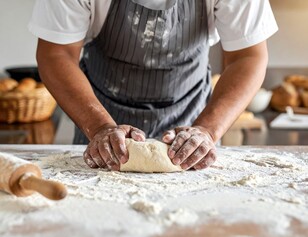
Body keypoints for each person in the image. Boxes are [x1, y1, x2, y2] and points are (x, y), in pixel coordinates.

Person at [29, 0, 278, 171]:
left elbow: (248, 56)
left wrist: (208, 131)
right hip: (100, 129)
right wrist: (99, 128)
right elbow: (56, 54)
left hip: (193, 123)